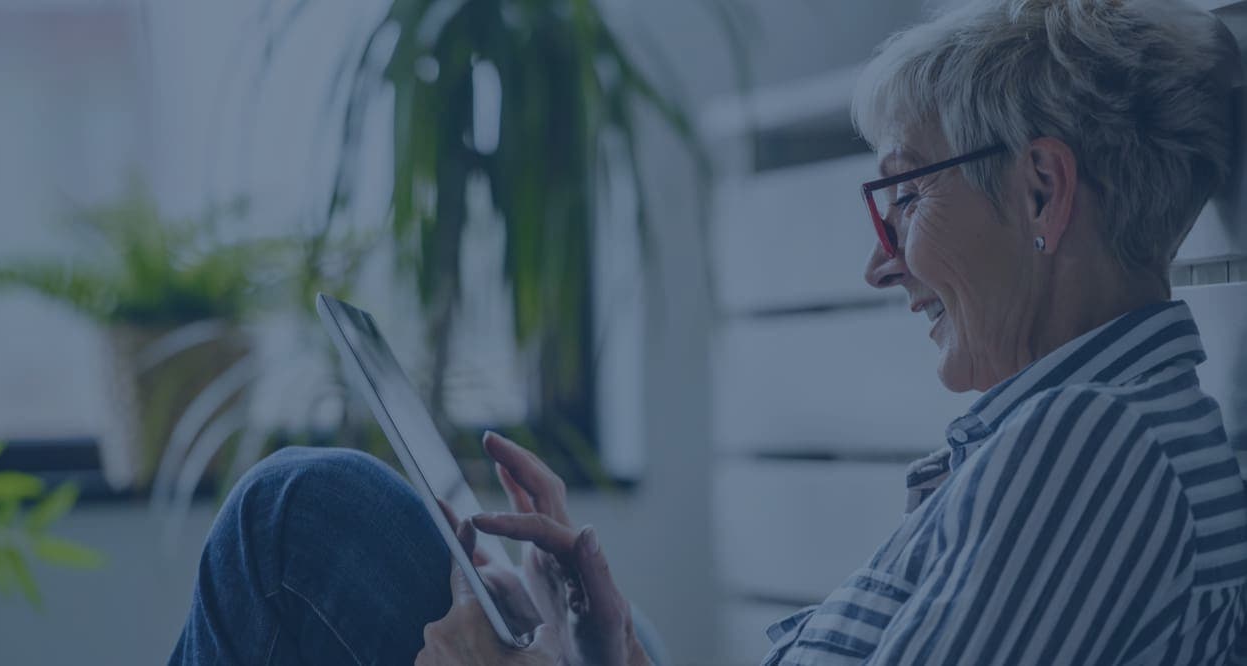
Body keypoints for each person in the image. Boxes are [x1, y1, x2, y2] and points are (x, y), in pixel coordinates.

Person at [169, 0, 1247, 663]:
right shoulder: (1077, 432)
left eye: (903, 200)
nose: (879, 262)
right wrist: (609, 651)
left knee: (298, 518)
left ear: (1042, 191)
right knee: (317, 509)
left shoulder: (1096, 450)